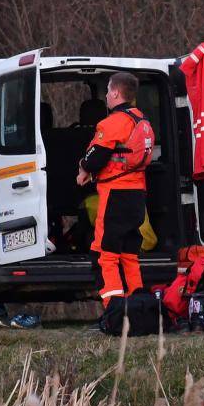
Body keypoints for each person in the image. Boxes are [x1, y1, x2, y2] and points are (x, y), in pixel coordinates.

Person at [77, 71, 154, 307]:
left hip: (115, 195)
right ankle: (137, 303)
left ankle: (114, 309)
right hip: (137, 195)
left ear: (116, 93)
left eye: (108, 91)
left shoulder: (112, 124)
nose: (106, 96)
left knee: (105, 254)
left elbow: (94, 158)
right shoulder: (142, 120)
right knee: (130, 253)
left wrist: (83, 169)